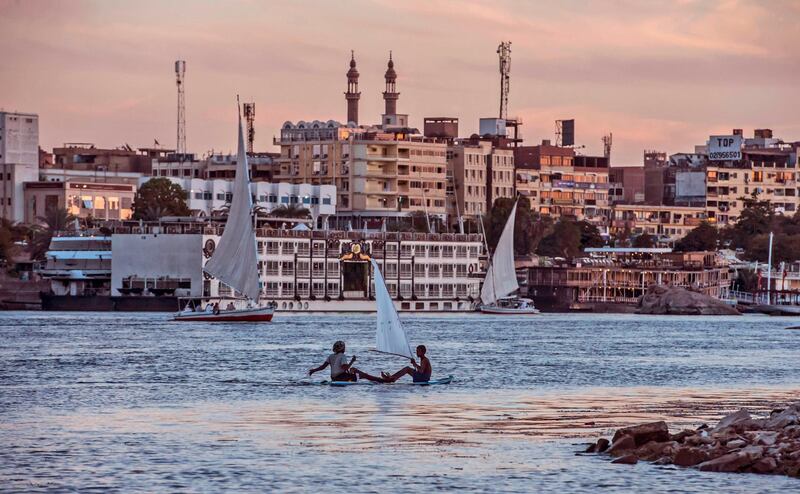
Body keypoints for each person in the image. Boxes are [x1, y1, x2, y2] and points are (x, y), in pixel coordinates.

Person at [309, 341, 385, 383]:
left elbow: (322, 367)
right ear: (343, 348)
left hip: (333, 378)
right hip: (342, 378)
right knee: (354, 370)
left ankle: (372, 378)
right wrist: (352, 361)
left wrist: (313, 370)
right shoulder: (342, 356)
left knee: (354, 371)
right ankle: (378, 380)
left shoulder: (331, 356)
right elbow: (345, 368)